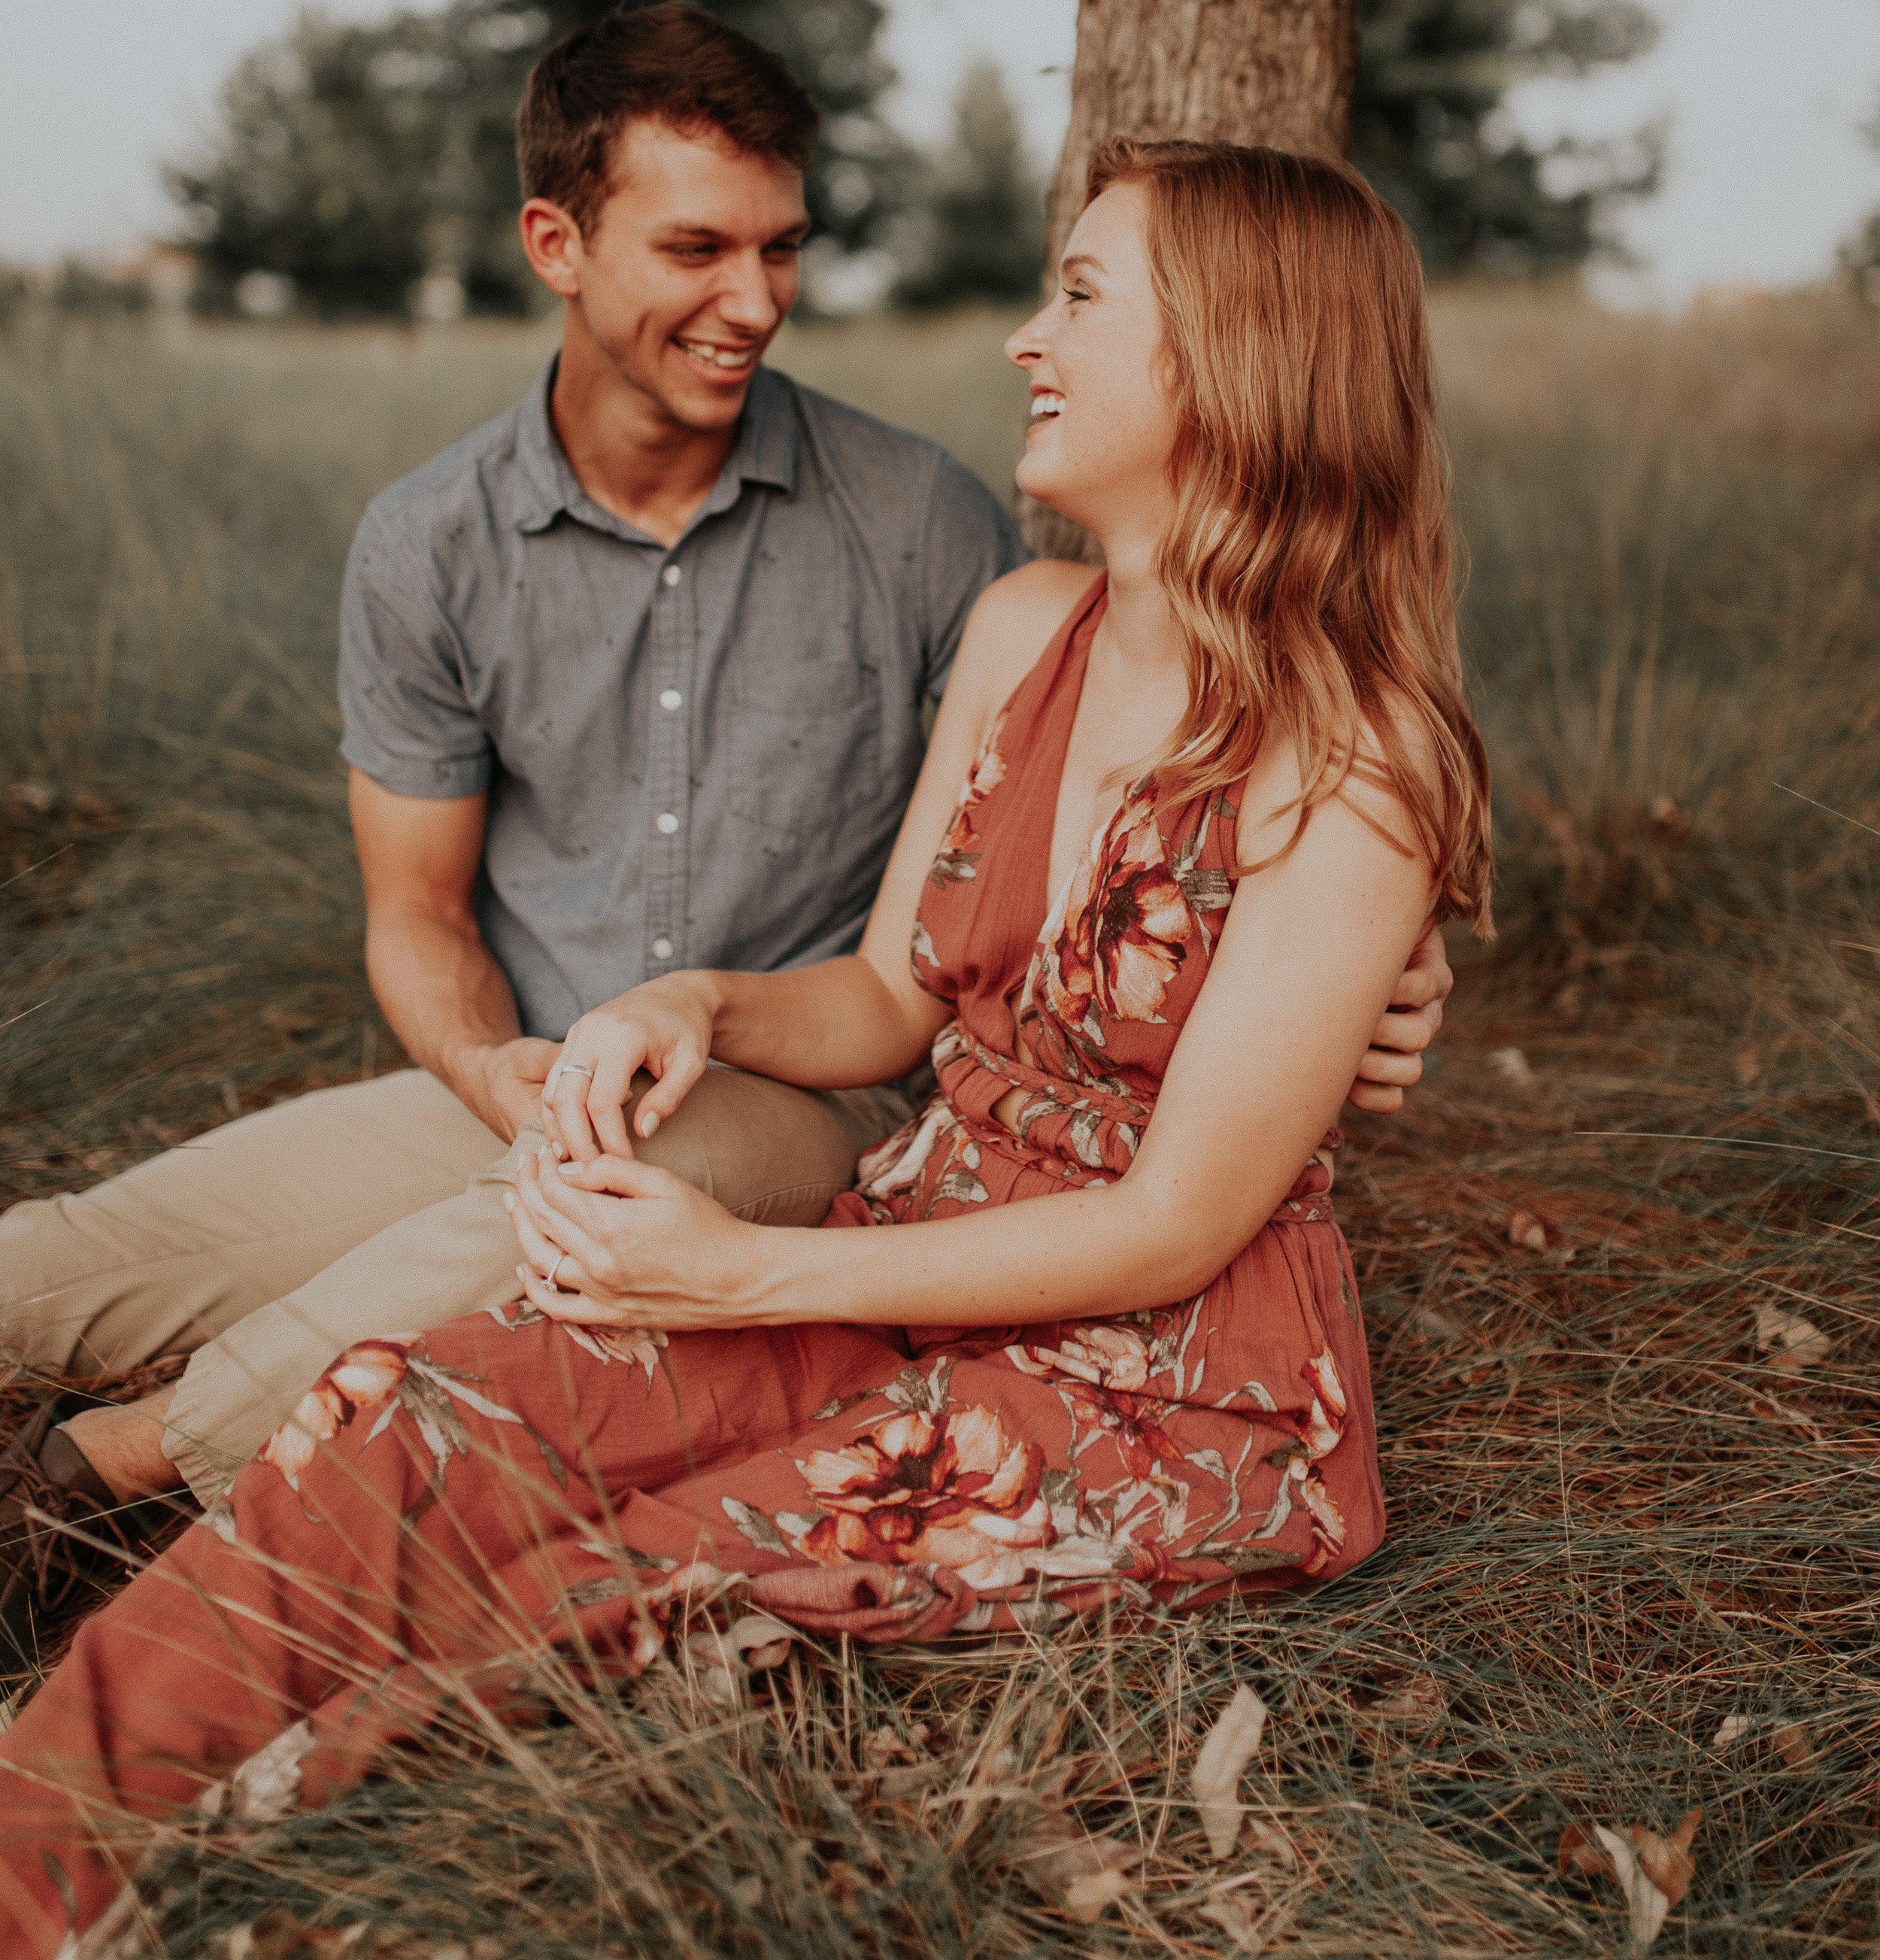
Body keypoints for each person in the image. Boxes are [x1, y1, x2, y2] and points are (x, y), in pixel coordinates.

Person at [0, 137, 1491, 1952]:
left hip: (1156, 1378)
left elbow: (1179, 1226)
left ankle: (206, 1887)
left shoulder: (1353, 760)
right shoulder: (1026, 631)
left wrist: (727, 1276)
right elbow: (883, 1002)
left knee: (579, 1593)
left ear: (1236, 354)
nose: (1027, 336)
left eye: (1080, 298)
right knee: (409, 1411)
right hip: (893, 1244)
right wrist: (689, 1002)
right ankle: (32, 1848)